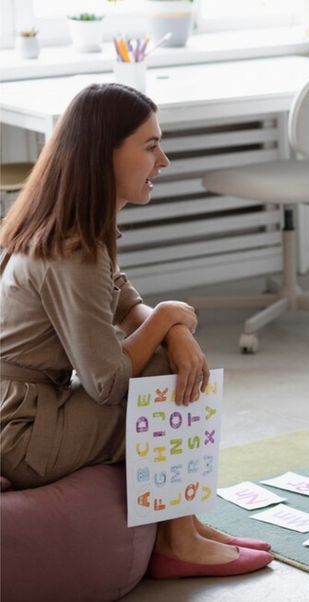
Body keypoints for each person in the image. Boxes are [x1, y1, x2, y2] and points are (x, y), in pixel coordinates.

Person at [0, 83, 273, 579]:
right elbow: (106, 381)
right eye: (150, 146)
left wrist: (174, 331)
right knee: (165, 376)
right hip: (22, 431)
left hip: (21, 410)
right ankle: (178, 540)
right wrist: (169, 318)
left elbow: (126, 304)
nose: (163, 160)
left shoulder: (75, 226)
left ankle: (184, 524)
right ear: (103, 153)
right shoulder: (72, 249)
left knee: (170, 358)